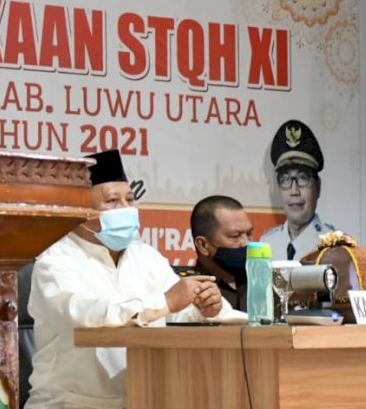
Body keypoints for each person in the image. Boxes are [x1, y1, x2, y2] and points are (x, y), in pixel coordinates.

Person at [26, 150, 239, 408]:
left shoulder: (144, 256)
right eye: (113, 201)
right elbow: (86, 315)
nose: (126, 210)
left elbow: (177, 313)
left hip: (143, 398)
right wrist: (165, 302)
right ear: (81, 210)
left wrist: (203, 307)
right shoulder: (55, 259)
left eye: (130, 199)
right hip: (71, 403)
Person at [260, 120, 338, 261]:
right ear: (278, 188)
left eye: (302, 178)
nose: (294, 191)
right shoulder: (266, 245)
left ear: (318, 186)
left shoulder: (336, 249)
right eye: (286, 180)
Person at [190, 195, 255, 311]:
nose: (247, 243)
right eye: (235, 236)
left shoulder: (262, 285)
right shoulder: (192, 295)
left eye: (249, 234)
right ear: (203, 245)